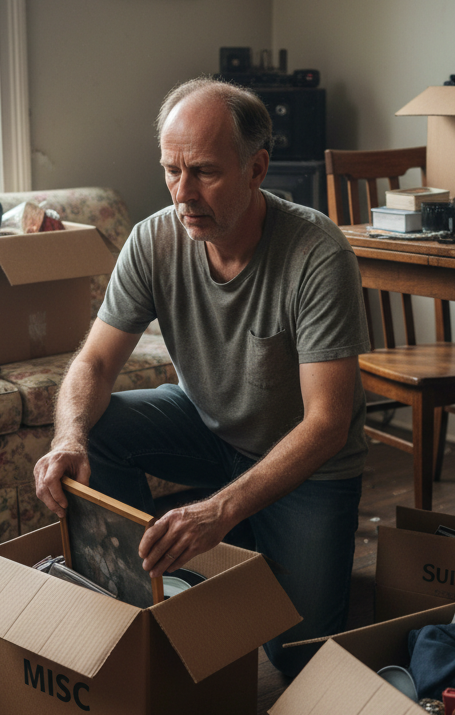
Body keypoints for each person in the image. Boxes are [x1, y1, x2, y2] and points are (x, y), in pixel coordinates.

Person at [33, 77, 369, 676]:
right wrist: (67, 439)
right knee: (97, 425)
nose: (182, 194)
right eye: (171, 171)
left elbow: (327, 425)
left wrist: (219, 512)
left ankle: (268, 548)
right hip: (210, 428)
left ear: (257, 168)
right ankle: (143, 593)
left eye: (205, 172)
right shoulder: (153, 240)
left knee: (299, 660)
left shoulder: (318, 254)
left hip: (306, 462)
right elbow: (94, 364)